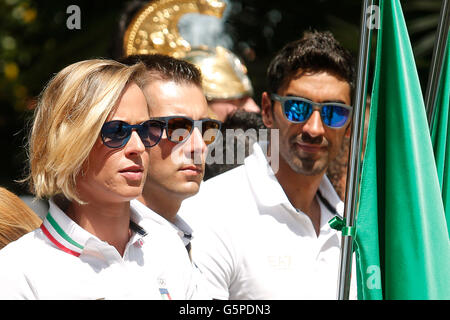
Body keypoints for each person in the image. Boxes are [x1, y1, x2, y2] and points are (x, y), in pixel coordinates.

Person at [0, 59, 204, 299]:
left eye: (146, 130)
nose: (137, 147)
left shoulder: (167, 247)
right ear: (68, 141)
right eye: (117, 132)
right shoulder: (18, 271)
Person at [179, 30, 357, 299]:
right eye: (297, 107)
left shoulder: (354, 227)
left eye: (334, 112)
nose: (314, 128)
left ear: (349, 126)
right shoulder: (210, 212)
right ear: (266, 111)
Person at [119, 54, 221, 260]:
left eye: (206, 128)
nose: (199, 146)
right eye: (177, 128)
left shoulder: (209, 238)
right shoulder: (106, 246)